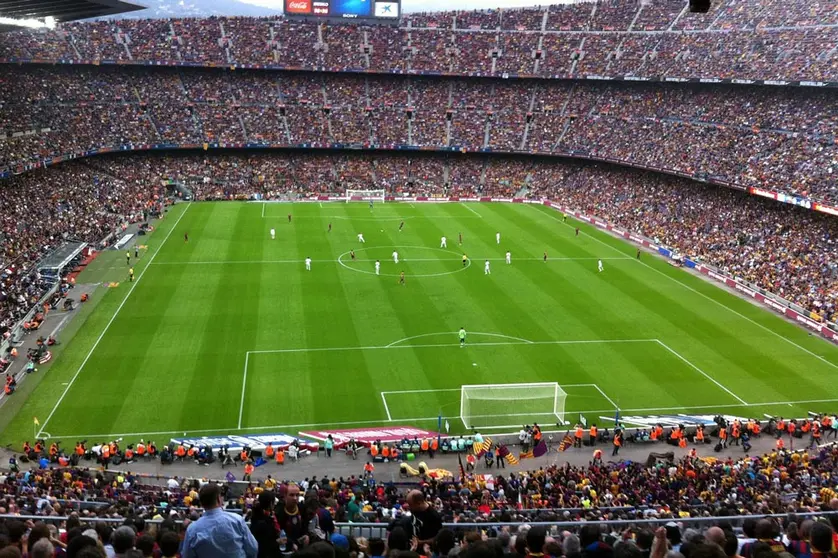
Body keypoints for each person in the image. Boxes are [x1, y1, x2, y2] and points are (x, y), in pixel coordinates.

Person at [182, 483, 257, 558]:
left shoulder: (192, 529)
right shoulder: (237, 520)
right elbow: (253, 549)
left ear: (201, 503)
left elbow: (187, 555)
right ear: (218, 499)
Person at [250, 491, 280, 558]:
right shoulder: (264, 522)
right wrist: (278, 542)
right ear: (270, 504)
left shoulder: (257, 515)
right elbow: (265, 544)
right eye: (273, 503)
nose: (274, 505)